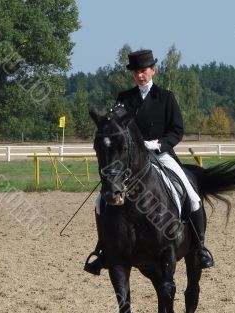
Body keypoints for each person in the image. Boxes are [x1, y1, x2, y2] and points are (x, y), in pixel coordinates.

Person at [84, 49, 213, 275]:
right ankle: (103, 250)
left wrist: (159, 144)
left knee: (192, 197)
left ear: (153, 69)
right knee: (99, 203)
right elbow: (114, 127)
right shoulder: (125, 98)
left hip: (162, 155)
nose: (139, 75)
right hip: (131, 160)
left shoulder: (166, 97)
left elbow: (177, 130)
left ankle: (200, 247)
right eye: (136, 72)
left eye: (143, 71)